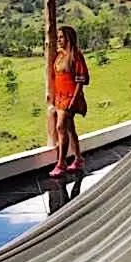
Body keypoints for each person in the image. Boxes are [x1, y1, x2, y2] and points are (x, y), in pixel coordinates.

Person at [48, 25, 89, 177]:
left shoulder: (75, 55)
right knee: (70, 128)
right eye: (58, 37)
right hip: (59, 96)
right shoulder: (59, 55)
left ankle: (61, 163)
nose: (58, 40)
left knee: (60, 127)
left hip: (70, 96)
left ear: (69, 38)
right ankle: (78, 159)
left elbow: (81, 79)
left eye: (61, 37)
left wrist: (74, 99)